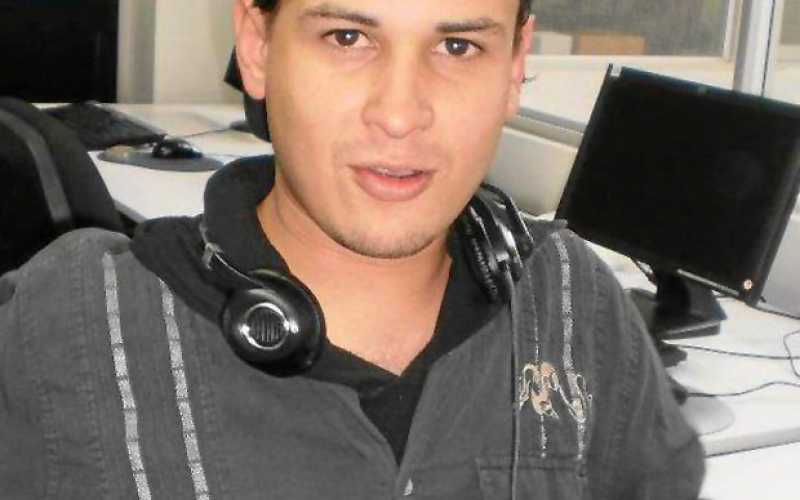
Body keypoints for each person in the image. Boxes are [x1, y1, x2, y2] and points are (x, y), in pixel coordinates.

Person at [0, 0, 705, 498]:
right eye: (347, 37)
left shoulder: (575, 309)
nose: (399, 114)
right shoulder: (68, 328)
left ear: (516, 65)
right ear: (257, 45)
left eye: (458, 47)